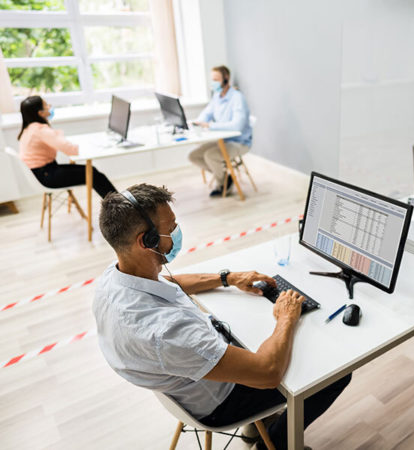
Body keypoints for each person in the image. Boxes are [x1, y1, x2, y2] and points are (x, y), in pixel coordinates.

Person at [94, 183, 350, 449]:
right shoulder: (167, 333)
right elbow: (268, 373)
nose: (176, 232)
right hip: (223, 401)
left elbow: (170, 283)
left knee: (257, 329)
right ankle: (272, 443)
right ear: (146, 241)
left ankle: (257, 427)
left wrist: (227, 278)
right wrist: (286, 317)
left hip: (186, 380)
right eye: (170, 229)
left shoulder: (113, 279)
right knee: (333, 372)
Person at [17, 95, 117, 198]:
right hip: (47, 176)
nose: (49, 106)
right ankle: (122, 208)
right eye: (46, 105)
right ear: (40, 113)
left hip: (42, 173)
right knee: (94, 174)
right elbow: (71, 150)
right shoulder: (40, 130)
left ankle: (120, 206)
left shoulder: (29, 128)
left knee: (92, 171)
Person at [188, 65, 253, 197]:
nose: (214, 83)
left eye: (216, 79)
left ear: (226, 78)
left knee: (210, 156)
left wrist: (210, 126)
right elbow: (206, 113)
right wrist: (198, 122)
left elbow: (237, 126)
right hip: (223, 140)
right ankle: (225, 178)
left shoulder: (237, 98)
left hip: (239, 142)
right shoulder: (217, 96)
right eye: (212, 79)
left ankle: (223, 184)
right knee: (193, 156)